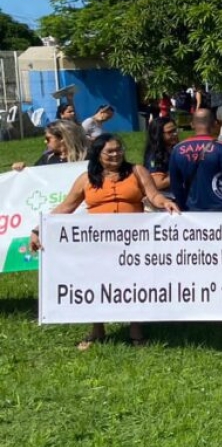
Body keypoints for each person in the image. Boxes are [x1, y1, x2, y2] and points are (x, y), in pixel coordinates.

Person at [31, 134, 179, 349]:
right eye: (109, 151)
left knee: (133, 284)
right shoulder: (86, 179)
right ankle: (97, 330)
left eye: (119, 149)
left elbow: (153, 195)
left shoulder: (137, 171)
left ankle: (136, 330)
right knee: (97, 284)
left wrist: (164, 202)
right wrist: (38, 230)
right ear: (98, 154)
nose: (116, 154)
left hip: (133, 243)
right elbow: (66, 207)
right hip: (98, 244)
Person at [168, 109, 222, 213]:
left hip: (192, 210)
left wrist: (182, 207)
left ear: (192, 124)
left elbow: (175, 185)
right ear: (214, 124)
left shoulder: (178, 150)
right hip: (221, 210)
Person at [11, 119, 88, 171]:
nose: (45, 141)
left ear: (62, 138)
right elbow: (36, 178)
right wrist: (23, 169)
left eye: (48, 139)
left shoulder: (86, 159)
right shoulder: (47, 159)